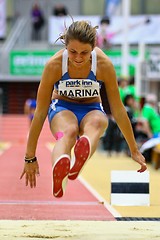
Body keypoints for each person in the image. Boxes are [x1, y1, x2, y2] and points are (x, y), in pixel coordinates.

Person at [20, 20, 147, 198]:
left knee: (98, 122)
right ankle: (61, 166)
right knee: (68, 132)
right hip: (62, 108)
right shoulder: (55, 65)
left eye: (84, 53)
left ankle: (82, 151)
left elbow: (118, 110)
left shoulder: (103, 64)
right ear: (66, 46)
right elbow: (40, 113)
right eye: (72, 52)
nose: (78, 58)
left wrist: (134, 148)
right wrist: (29, 156)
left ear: (94, 47)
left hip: (91, 108)